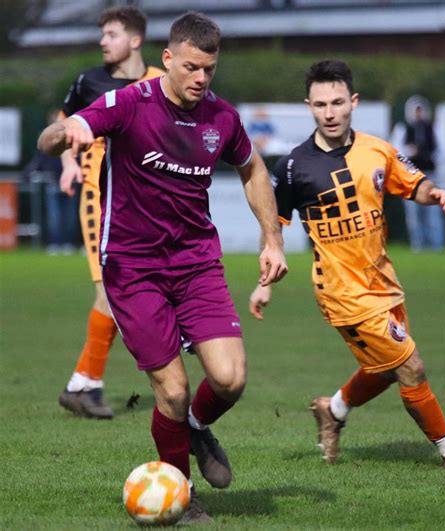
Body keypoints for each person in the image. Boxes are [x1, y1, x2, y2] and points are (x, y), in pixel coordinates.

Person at [38, 11, 287, 522]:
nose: (201, 78)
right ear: (167, 59)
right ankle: (182, 491)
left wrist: (273, 239)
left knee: (231, 379)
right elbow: (62, 132)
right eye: (192, 67)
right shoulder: (130, 103)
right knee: (170, 391)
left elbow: (253, 168)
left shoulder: (222, 118)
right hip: (134, 268)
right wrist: (68, 136)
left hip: (197, 263)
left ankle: (195, 426)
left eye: (209, 70)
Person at [249, 59, 445, 470]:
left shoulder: (377, 149)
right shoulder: (294, 166)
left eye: (337, 102)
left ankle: (332, 410)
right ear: (309, 106)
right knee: (410, 365)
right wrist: (265, 282)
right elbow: (273, 228)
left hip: (383, 281)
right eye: (320, 105)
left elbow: (414, 183)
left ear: (353, 102)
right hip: (341, 292)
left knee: (384, 369)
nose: (329, 113)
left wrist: (435, 193)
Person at [57, 6, 164, 419]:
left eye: (112, 33)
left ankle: (83, 383)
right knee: (108, 289)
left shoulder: (159, 82)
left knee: (125, 293)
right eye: (102, 33)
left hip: (144, 204)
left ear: (135, 40)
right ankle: (85, 384)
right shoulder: (90, 81)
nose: (103, 40)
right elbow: (66, 122)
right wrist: (69, 162)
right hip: (99, 197)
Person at [24, 109, 80, 255]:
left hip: (70, 184)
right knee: (54, 217)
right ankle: (56, 243)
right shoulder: (47, 142)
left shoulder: (73, 139)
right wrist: (28, 174)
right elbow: (38, 162)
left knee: (70, 217)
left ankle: (68, 244)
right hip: (53, 183)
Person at [396, 95, 445, 252]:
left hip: (430, 175)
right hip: (411, 177)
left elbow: (442, 151)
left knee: (433, 213)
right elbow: (396, 152)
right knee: (414, 214)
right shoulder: (403, 128)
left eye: (420, 110)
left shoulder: (433, 128)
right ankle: (418, 245)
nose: (418, 114)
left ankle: (436, 246)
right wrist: (410, 152)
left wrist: (430, 156)